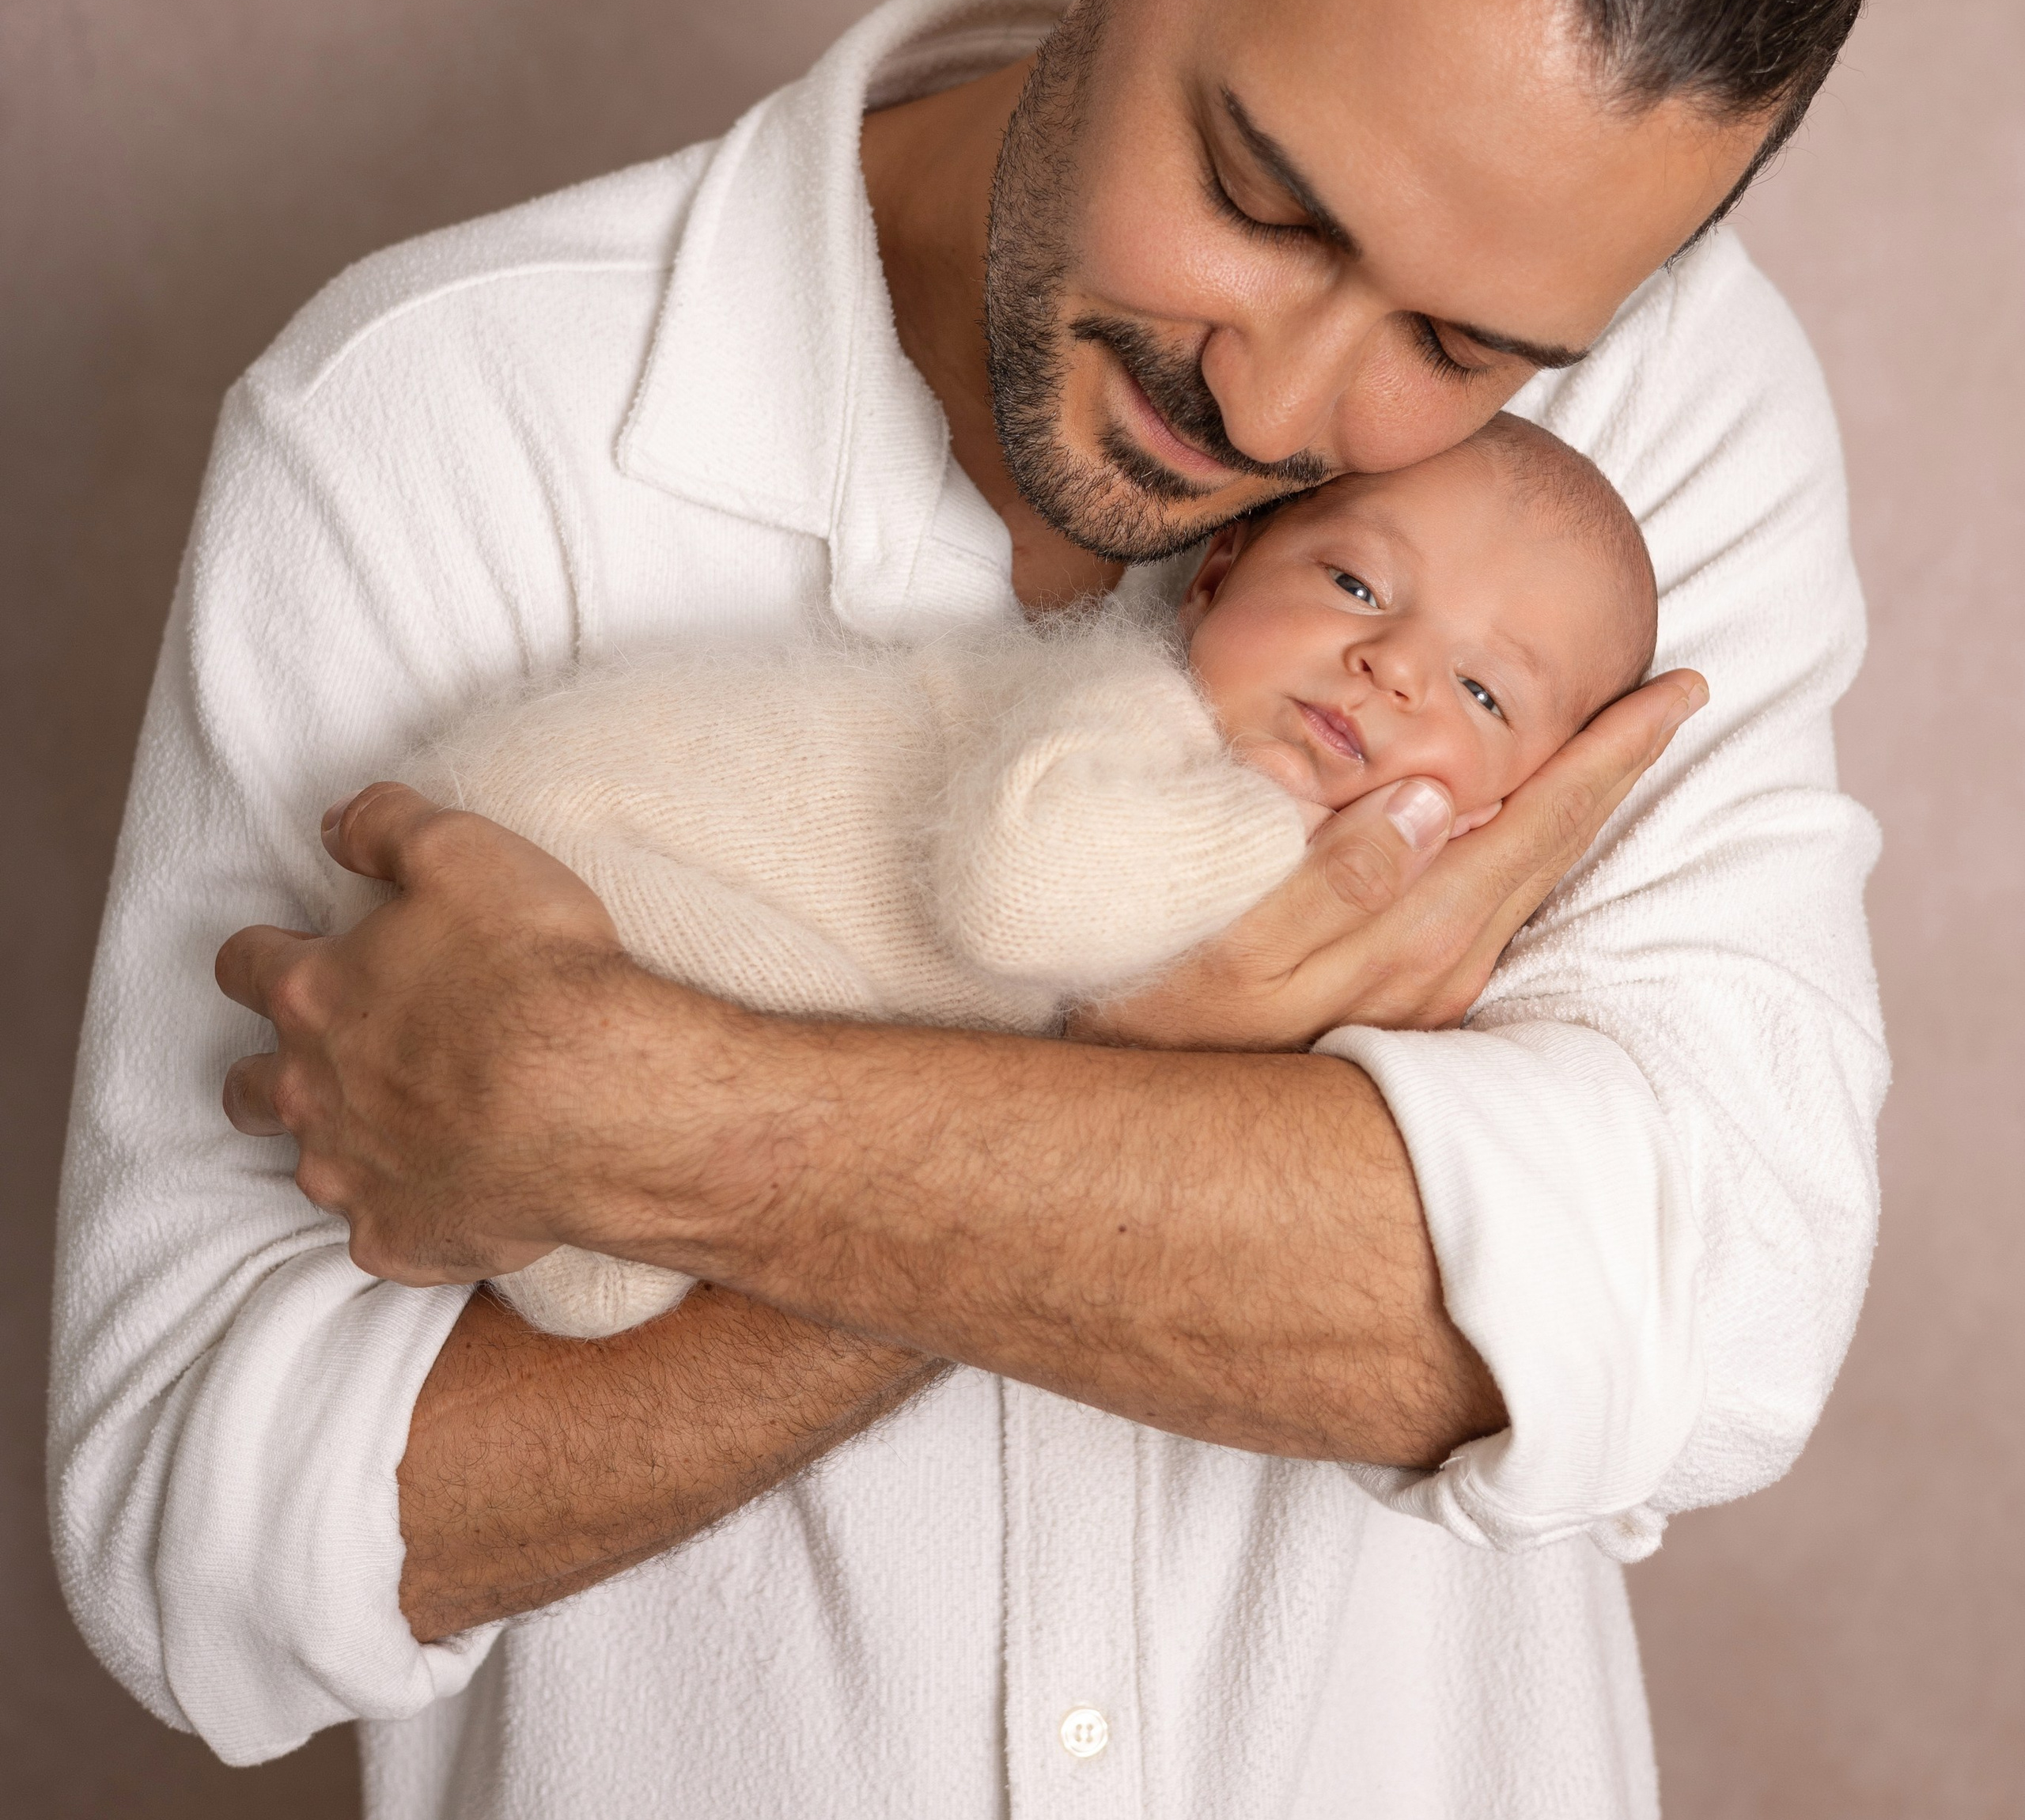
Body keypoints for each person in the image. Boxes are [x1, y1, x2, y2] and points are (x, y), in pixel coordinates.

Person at [51, 0, 1891, 1820]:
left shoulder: (1649, 435)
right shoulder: (427, 436)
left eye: (1464, 347)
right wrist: (1208, 1093)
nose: (1300, 404)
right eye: (1267, 199)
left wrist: (656, 1128)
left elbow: (1693, 1309)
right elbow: (210, 1550)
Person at [368, 419, 1660, 1342]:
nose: (1391, 665)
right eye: (1357, 582)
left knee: (656, 1191)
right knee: (651, 1211)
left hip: (597, 877)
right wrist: (1279, 829)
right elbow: (1021, 896)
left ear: (1502, 812)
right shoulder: (1125, 701)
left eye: (1483, 691)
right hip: (551, 833)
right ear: (1217, 576)